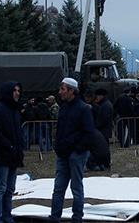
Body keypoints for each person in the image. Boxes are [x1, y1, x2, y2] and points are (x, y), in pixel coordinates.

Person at [49, 77, 94, 223]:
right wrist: (58, 147)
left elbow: (88, 133)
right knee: (58, 188)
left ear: (71, 91)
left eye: (62, 89)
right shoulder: (64, 107)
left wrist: (77, 151)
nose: (60, 92)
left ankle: (77, 218)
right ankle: (55, 217)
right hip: (63, 154)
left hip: (76, 155)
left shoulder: (83, 109)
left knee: (76, 188)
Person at [0, 82, 24, 223]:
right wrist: (9, 146)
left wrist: (18, 149)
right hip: (3, 154)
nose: (17, 93)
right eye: (14, 90)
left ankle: (7, 216)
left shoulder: (15, 110)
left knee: (10, 189)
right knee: (0, 189)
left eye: (18, 90)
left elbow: (18, 132)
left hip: (14, 154)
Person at [86, 88, 112, 172]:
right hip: (103, 131)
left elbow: (103, 120)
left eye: (97, 95)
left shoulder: (105, 106)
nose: (96, 97)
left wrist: (95, 127)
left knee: (102, 150)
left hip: (103, 131)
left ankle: (104, 164)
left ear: (101, 96)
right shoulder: (104, 104)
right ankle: (103, 164)